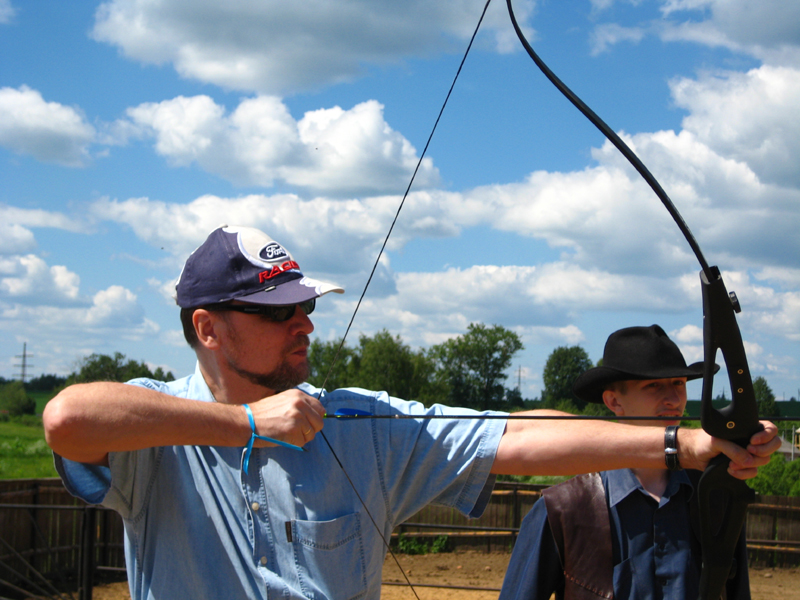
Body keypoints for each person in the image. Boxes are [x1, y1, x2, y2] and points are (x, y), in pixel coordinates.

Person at [44, 226, 777, 600]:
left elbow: (520, 435)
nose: (304, 324)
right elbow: (68, 418)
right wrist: (244, 426)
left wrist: (685, 443)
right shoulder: (155, 428)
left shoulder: (357, 424)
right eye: (278, 313)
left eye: (306, 308)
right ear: (208, 328)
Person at [498, 325, 752, 600]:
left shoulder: (716, 498)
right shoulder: (561, 510)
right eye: (653, 385)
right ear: (614, 401)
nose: (673, 399)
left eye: (679, 383)